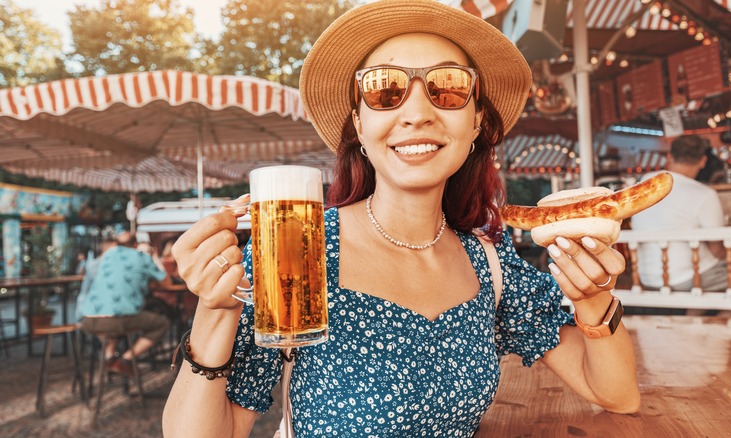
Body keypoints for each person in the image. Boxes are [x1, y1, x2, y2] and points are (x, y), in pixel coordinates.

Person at [163, 1, 639, 436]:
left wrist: (593, 299)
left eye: (448, 89)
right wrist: (215, 312)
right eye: (385, 89)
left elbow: (617, 395)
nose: (416, 113)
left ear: (475, 123)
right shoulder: (298, 253)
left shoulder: (490, 263)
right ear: (359, 125)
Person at [631, 134, 731, 296]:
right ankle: (719, 320)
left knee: (716, 281)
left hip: (646, 277)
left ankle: (693, 314)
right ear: (703, 161)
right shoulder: (704, 194)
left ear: (670, 157)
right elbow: (717, 251)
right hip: (689, 277)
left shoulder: (645, 183)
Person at [77, 231, 170, 376]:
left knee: (116, 322)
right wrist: (154, 257)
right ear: (135, 244)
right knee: (161, 324)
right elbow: (165, 281)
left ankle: (110, 358)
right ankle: (126, 360)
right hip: (117, 319)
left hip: (87, 319)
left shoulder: (108, 255)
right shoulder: (141, 257)